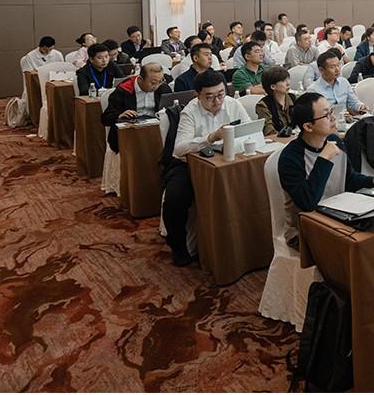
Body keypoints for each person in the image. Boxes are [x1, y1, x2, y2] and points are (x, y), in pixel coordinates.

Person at [278, 93, 374, 245]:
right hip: (305, 230)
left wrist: (372, 181)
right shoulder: (290, 158)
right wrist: (324, 159)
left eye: (332, 111)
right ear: (308, 126)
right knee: (365, 244)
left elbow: (348, 178)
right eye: (326, 115)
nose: (333, 118)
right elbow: (307, 202)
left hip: (339, 216)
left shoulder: (334, 141)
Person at [166, 70, 251, 265]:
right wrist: (211, 137)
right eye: (210, 97)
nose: (217, 101)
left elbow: (249, 129)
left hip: (228, 161)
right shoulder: (190, 112)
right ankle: (178, 247)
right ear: (197, 95)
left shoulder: (233, 104)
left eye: (221, 94)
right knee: (175, 197)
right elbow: (179, 148)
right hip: (189, 165)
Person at [101, 63, 171, 153]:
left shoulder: (163, 88)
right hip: (131, 132)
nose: (157, 86)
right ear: (141, 79)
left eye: (160, 81)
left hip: (156, 130)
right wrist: (119, 115)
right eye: (153, 83)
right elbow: (105, 118)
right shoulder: (123, 90)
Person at [309, 51, 365, 115]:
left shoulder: (344, 82)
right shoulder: (313, 90)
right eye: (332, 67)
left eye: (338, 65)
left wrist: (361, 106)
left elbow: (354, 102)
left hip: (345, 119)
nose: (337, 69)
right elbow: (315, 115)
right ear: (321, 70)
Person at [255, 66, 295, 137]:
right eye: (283, 81)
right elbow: (269, 132)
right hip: (277, 140)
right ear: (273, 86)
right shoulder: (263, 105)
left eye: (288, 79)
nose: (288, 83)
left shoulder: (293, 98)